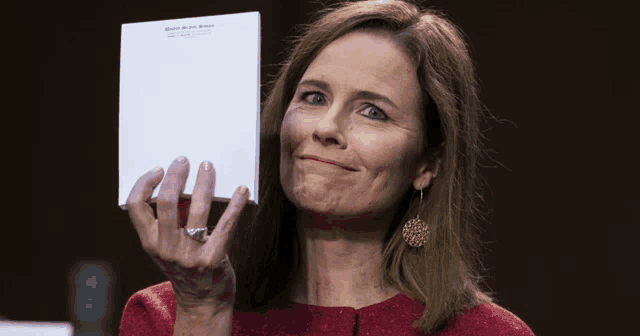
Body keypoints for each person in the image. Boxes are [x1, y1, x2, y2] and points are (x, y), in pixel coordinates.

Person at [120, 0, 536, 335]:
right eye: (315, 98)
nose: (326, 128)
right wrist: (202, 314)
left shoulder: (486, 332)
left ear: (428, 164)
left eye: (372, 111)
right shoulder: (163, 317)